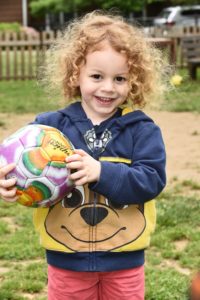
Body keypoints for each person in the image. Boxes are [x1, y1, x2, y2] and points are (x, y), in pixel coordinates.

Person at [0, 11, 168, 300]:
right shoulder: (48, 128)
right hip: (66, 261)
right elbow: (14, 162)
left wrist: (102, 172)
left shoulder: (142, 130)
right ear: (75, 73)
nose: (107, 87)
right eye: (96, 76)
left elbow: (152, 181)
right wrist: (8, 182)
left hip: (124, 261)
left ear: (134, 81)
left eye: (119, 78)